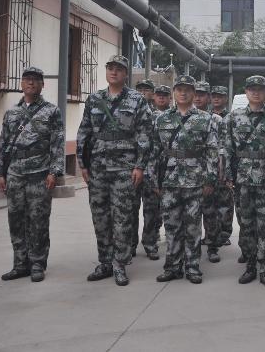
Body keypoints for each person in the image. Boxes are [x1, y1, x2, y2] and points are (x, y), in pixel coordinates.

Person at [77, 55, 152, 286]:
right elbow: (84, 131)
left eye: (119, 69)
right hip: (98, 167)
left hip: (124, 168)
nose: (114, 72)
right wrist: (82, 163)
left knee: (122, 218)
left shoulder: (137, 100)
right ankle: (105, 262)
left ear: (126, 73)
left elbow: (144, 134)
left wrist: (140, 165)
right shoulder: (94, 99)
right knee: (100, 217)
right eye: (110, 68)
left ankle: (120, 264)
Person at [0, 66, 64, 283]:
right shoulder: (12, 113)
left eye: (35, 80)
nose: (31, 82)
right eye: (27, 79)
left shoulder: (51, 111)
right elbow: (3, 143)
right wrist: (0, 172)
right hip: (15, 173)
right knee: (16, 219)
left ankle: (37, 263)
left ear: (42, 85)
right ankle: (20, 264)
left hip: (39, 173)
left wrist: (54, 172)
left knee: (38, 220)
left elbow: (57, 143)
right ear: (22, 83)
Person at [149, 75, 218, 284]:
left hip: (195, 180)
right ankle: (172, 267)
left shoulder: (206, 119)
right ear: (174, 92)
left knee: (193, 227)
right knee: (171, 225)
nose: (183, 93)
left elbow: (212, 151)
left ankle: (193, 267)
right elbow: (154, 150)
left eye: (188, 89)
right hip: (169, 180)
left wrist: (210, 179)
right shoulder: (161, 119)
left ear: (194, 93)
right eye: (179, 89)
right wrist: (154, 179)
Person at [225, 76, 265, 288]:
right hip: (242, 179)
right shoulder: (234, 117)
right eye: (251, 89)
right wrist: (227, 175)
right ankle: (250, 265)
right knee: (246, 224)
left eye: (260, 89)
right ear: (246, 91)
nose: (255, 92)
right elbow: (227, 148)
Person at [195, 81, 226, 263]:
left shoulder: (216, 120)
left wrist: (218, 172)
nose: (198, 97)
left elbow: (222, 147)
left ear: (208, 97)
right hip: (187, 174)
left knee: (210, 212)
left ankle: (212, 247)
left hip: (209, 172)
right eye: (196, 94)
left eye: (202, 94)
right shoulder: (180, 117)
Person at [131, 79, 157, 259]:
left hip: (151, 169)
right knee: (130, 209)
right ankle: (130, 244)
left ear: (152, 94)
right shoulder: (128, 112)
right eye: (139, 89)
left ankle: (150, 243)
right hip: (132, 168)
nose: (142, 93)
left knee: (151, 211)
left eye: (146, 90)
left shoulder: (159, 116)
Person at [211, 86, 234, 248]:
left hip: (225, 162)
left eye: (220, 96)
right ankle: (211, 234)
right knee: (209, 203)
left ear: (226, 98)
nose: (216, 98)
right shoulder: (206, 117)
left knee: (225, 202)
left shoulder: (231, 118)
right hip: (210, 163)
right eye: (214, 96)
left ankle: (224, 234)